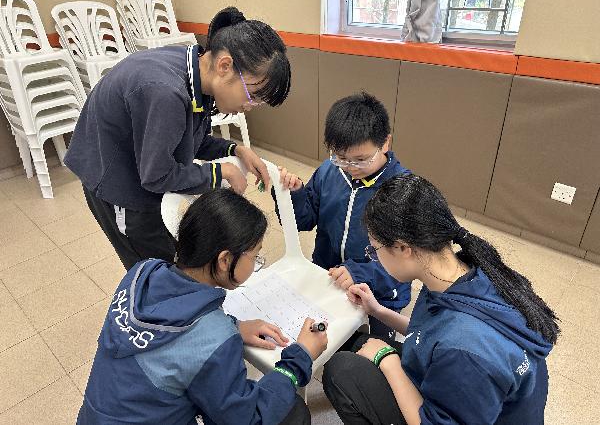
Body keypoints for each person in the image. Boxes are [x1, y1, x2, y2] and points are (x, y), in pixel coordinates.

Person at [322, 174, 560, 425]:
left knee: (341, 371)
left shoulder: (465, 351)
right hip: (464, 390)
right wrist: (378, 310)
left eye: (374, 250)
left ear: (403, 248)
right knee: (357, 343)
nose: (375, 258)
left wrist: (387, 360)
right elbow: (431, 334)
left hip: (459, 398)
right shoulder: (458, 273)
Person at [65, 6, 291, 270]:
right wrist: (219, 172)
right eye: (253, 96)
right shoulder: (166, 93)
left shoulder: (198, 69)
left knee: (173, 256)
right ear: (225, 66)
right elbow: (157, 175)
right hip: (119, 184)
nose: (250, 107)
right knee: (153, 270)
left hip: (144, 167)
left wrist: (235, 150)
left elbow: (189, 139)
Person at [77, 189, 327, 425]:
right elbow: (248, 418)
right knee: (293, 411)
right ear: (225, 260)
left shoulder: (142, 272)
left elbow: (171, 320)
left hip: (94, 417)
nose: (255, 263)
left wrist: (233, 325)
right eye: (255, 256)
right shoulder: (215, 340)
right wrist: (299, 358)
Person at [276, 92, 411, 338]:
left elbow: (410, 264)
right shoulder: (330, 171)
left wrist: (360, 273)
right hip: (328, 277)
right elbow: (303, 221)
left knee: (368, 350)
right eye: (340, 158)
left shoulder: (404, 191)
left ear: (385, 143)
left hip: (379, 294)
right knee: (311, 338)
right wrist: (294, 194)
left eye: (361, 159)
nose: (350, 168)